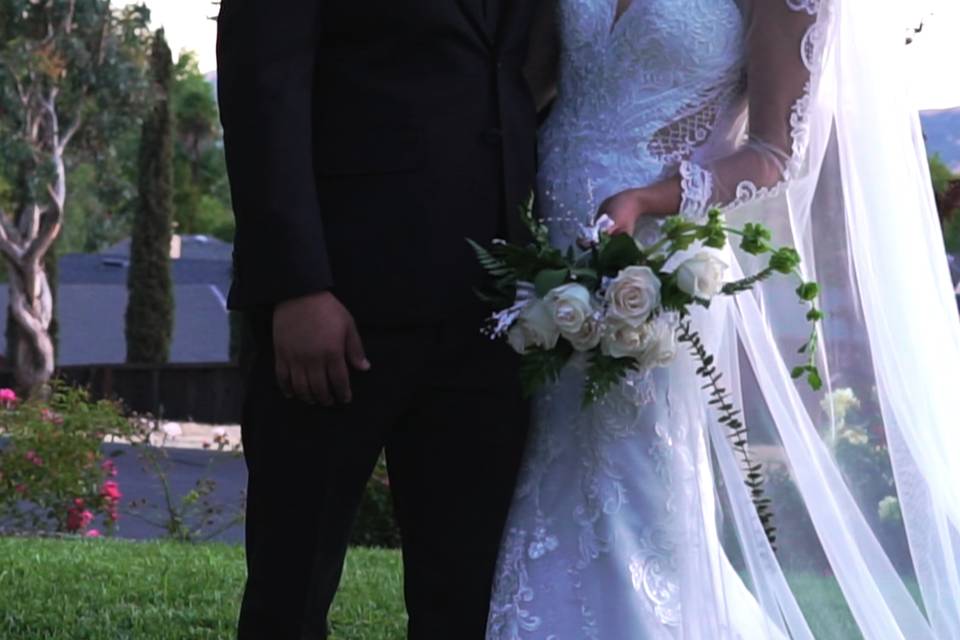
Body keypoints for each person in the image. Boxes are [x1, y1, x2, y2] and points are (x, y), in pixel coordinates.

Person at [486, 0, 960, 638]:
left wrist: (647, 199)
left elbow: (771, 154)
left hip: (652, 259)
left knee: (633, 495)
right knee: (542, 465)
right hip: (536, 235)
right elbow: (535, 76)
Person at [215, 1, 544, 638]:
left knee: (464, 599)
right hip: (340, 307)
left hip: (493, 312)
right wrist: (298, 285)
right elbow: (262, 86)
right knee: (291, 593)